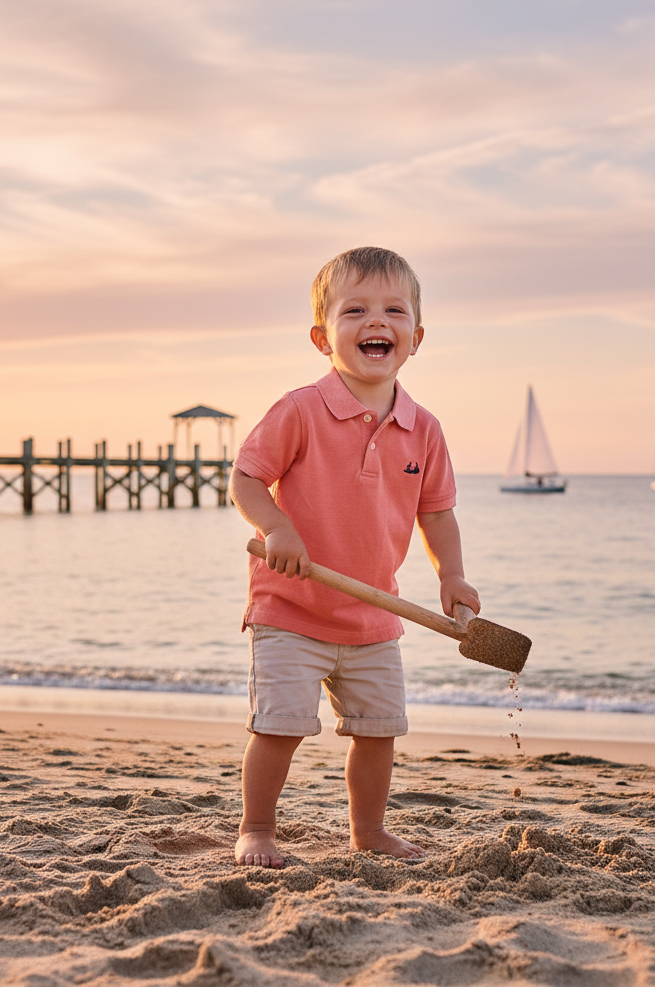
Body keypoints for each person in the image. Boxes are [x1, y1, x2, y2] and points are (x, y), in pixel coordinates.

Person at [229, 246, 480, 868]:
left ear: (415, 337)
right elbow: (247, 479)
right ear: (323, 336)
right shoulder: (300, 410)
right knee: (280, 727)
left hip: (374, 618)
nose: (377, 321)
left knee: (378, 732)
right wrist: (278, 527)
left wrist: (452, 576)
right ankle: (257, 827)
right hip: (291, 607)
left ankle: (368, 830)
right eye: (356, 309)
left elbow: (436, 512)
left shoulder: (425, 429)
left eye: (394, 309)